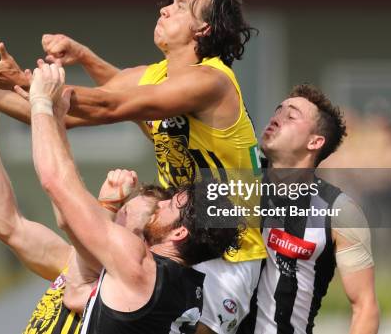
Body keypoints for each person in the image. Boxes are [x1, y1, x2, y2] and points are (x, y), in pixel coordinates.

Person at [0, 0, 266, 334]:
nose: (164, 8)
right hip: (170, 237)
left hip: (228, 254)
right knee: (87, 285)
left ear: (203, 28)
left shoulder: (212, 81)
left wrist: (26, 83)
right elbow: (63, 113)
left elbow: (110, 105)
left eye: (180, 6)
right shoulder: (156, 76)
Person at [0, 76, 172, 334]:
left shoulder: (131, 288)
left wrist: (108, 204)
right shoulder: (74, 260)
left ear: (147, 242)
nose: (117, 217)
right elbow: (8, 225)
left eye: (125, 213)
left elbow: (68, 216)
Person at [27, 59, 240, 333]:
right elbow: (77, 290)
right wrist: (57, 121)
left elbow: (55, 181)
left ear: (178, 234)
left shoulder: (137, 264)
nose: (159, 203)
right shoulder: (191, 289)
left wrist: (41, 103)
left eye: (169, 205)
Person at [238, 84, 380, 334]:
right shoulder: (236, 184)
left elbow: (364, 306)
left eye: (291, 116)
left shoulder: (340, 211)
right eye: (277, 110)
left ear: (315, 141)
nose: (277, 117)